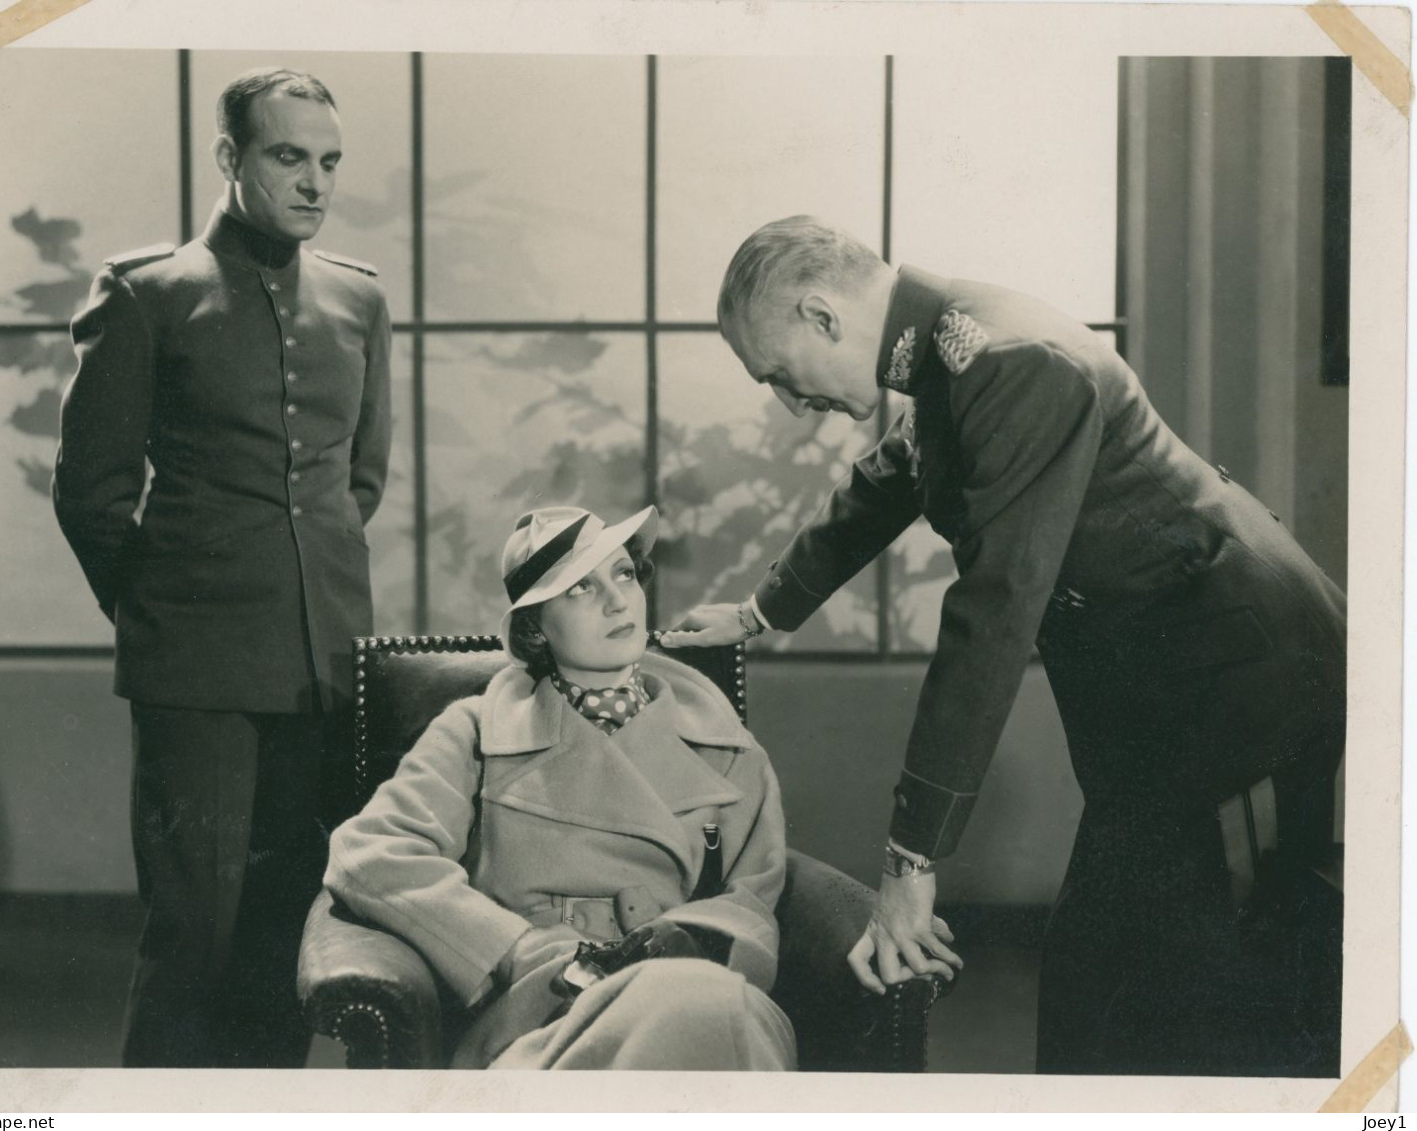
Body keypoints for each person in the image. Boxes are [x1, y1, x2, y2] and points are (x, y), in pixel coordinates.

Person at [665, 215, 1346, 1075]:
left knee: (1145, 963)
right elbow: (889, 481)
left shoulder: (1010, 362)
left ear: (821, 316)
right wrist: (761, 612)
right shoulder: (951, 351)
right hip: (1176, 670)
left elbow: (994, 613)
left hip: (1247, 664)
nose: (793, 407)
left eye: (782, 376)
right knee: (1130, 959)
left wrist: (911, 860)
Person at [51, 67, 392, 1068]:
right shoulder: (147, 294)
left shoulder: (357, 301)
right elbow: (92, 494)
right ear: (229, 158)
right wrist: (167, 609)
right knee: (192, 933)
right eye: (289, 157)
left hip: (324, 665)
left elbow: (357, 484)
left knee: (290, 938)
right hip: (192, 675)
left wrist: (294, 599)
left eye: (329, 162)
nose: (314, 183)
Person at [324, 505, 796, 1070]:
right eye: (579, 589)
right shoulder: (477, 730)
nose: (618, 600)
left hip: (700, 987)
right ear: (534, 628)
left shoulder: (722, 739)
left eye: (624, 574)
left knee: (712, 1011)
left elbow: (754, 895)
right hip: (548, 1013)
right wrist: (513, 948)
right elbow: (371, 854)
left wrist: (698, 939)